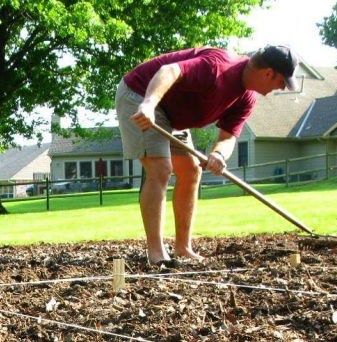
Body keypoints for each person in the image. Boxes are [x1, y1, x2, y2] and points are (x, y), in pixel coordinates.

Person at [116, 45, 299, 267]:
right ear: (268, 73)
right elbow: (170, 71)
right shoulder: (218, 67)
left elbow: (228, 136)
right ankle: (157, 253)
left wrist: (219, 155)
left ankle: (183, 248)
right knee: (161, 169)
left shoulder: (246, 98)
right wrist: (148, 104)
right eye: (282, 82)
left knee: (192, 170)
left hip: (173, 115)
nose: (280, 88)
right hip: (142, 95)